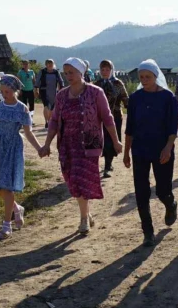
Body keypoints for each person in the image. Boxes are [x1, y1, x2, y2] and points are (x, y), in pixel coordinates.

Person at [40, 57, 122, 234]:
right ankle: (87, 212)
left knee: (81, 179)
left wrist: (116, 141)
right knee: (72, 181)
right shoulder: (62, 95)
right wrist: (47, 144)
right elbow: (54, 121)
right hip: (67, 145)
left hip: (89, 144)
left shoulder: (95, 92)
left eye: (72, 72)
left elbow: (108, 119)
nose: (68, 76)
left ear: (81, 72)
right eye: (66, 73)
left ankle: (83, 219)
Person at [123, 59, 178, 247]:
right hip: (140, 150)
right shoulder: (135, 98)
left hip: (162, 149)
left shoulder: (169, 98)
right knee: (141, 192)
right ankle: (148, 231)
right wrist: (126, 152)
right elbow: (129, 127)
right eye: (141, 77)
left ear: (156, 77)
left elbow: (173, 127)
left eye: (148, 77)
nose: (145, 80)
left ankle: (170, 205)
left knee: (163, 190)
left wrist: (168, 147)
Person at [0, 75, 42, 239]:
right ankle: (16, 208)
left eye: (7, 91)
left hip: (13, 148)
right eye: (2, 91)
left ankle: (6, 226)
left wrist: (39, 148)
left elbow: (28, 133)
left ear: (15, 91)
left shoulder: (22, 109)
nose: (4, 94)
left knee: (7, 185)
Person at [94, 59, 129, 177]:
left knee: (112, 141)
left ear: (111, 70)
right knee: (101, 141)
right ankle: (101, 164)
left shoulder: (118, 84)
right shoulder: (97, 84)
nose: (105, 72)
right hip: (100, 118)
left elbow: (125, 99)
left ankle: (108, 165)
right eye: (102, 69)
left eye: (107, 69)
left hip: (115, 117)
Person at [36, 59, 64, 129]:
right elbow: (37, 81)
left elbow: (61, 81)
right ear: (46, 64)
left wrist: (61, 90)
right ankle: (46, 122)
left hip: (53, 92)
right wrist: (36, 90)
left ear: (53, 64)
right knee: (46, 106)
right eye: (48, 63)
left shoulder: (56, 72)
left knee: (52, 108)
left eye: (51, 63)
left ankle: (50, 120)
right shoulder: (42, 72)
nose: (50, 65)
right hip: (44, 91)